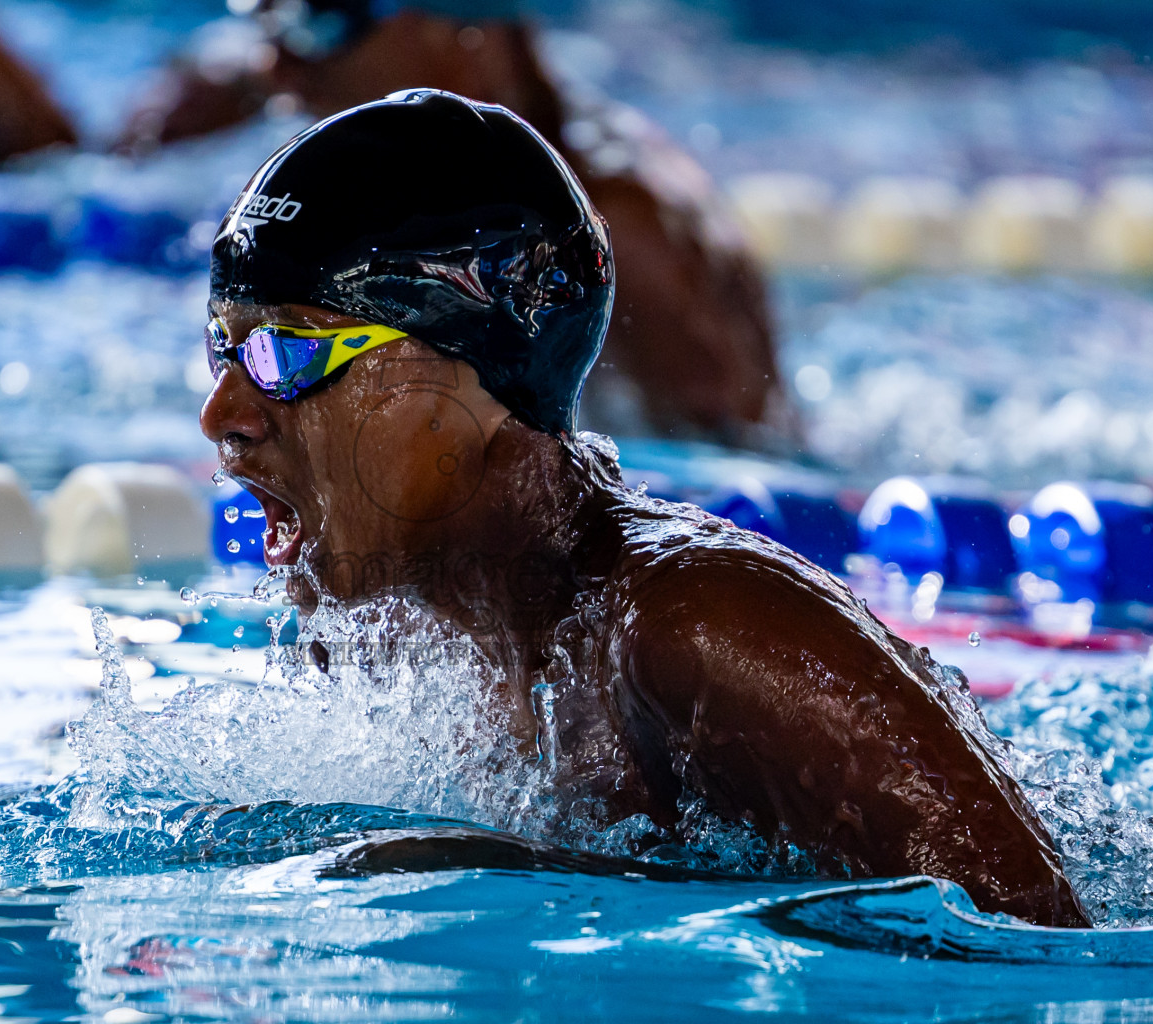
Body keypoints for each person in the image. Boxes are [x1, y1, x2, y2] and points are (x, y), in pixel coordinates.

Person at [200, 89, 1090, 928]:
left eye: (284, 353)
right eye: (224, 350)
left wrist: (521, 874)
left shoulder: (702, 624)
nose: (225, 416)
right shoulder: (407, 631)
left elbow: (1039, 947)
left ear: (476, 371)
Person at [0, 0, 782, 439]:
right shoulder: (321, 70)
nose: (279, 67)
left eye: (317, 24)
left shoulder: (625, 228)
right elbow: (73, 167)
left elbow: (729, 464)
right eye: (266, 17)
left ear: (466, 28)